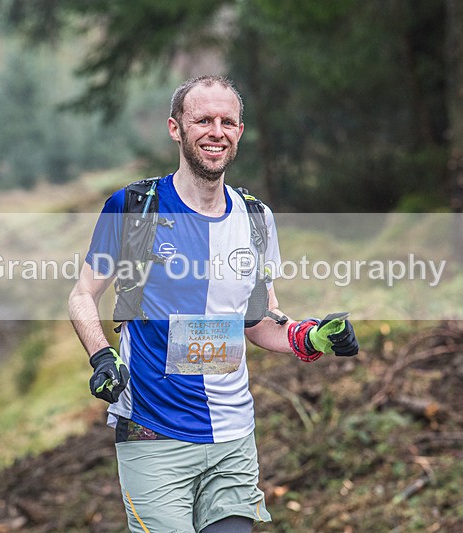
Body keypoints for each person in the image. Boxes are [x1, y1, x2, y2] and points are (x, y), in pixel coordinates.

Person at [68, 75, 359, 533]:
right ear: (175, 128)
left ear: (240, 131)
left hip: (232, 436)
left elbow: (259, 319)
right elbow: (83, 294)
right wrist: (102, 356)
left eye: (227, 121)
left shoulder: (256, 219)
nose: (216, 131)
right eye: (202, 119)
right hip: (154, 435)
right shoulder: (134, 207)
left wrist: (313, 336)